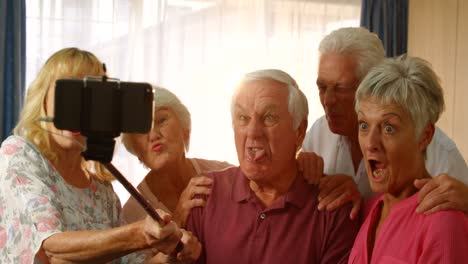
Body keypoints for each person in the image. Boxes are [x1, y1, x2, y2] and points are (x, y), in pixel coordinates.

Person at [0, 47, 198, 263]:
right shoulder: (20, 154)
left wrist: (173, 257)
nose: (77, 109)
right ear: (43, 101)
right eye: (69, 95)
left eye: (89, 99)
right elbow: (52, 251)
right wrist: (140, 234)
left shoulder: (102, 191)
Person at [186, 69, 359, 264]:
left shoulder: (333, 209)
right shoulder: (205, 193)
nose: (253, 132)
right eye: (243, 118)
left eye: (269, 118)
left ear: (299, 131)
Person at [302, 27, 468, 218]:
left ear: (374, 83)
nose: (327, 100)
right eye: (322, 87)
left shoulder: (441, 154)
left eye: (341, 88)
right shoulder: (318, 133)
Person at [348, 55, 468, 263]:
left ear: (424, 135)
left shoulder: (443, 221)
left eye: (388, 128)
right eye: (364, 125)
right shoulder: (369, 209)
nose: (370, 143)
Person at [121, 86, 233, 228]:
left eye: (161, 120)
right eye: (141, 130)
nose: (154, 135)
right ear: (136, 150)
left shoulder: (226, 174)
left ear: (184, 128)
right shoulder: (132, 214)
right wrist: (177, 219)